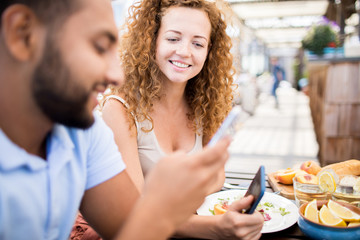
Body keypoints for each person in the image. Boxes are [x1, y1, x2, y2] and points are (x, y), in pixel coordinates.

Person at [0, 0, 236, 239]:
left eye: (198, 43)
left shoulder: (84, 132)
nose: (116, 74)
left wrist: (217, 225)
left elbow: (130, 229)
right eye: (99, 47)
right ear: (23, 34)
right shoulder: (112, 112)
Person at [75, 0, 263, 239]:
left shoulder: (206, 104)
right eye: (173, 39)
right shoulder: (120, 108)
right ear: (151, 39)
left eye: (198, 43)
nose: (185, 51)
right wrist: (216, 225)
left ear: (209, 51)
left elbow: (218, 178)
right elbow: (135, 215)